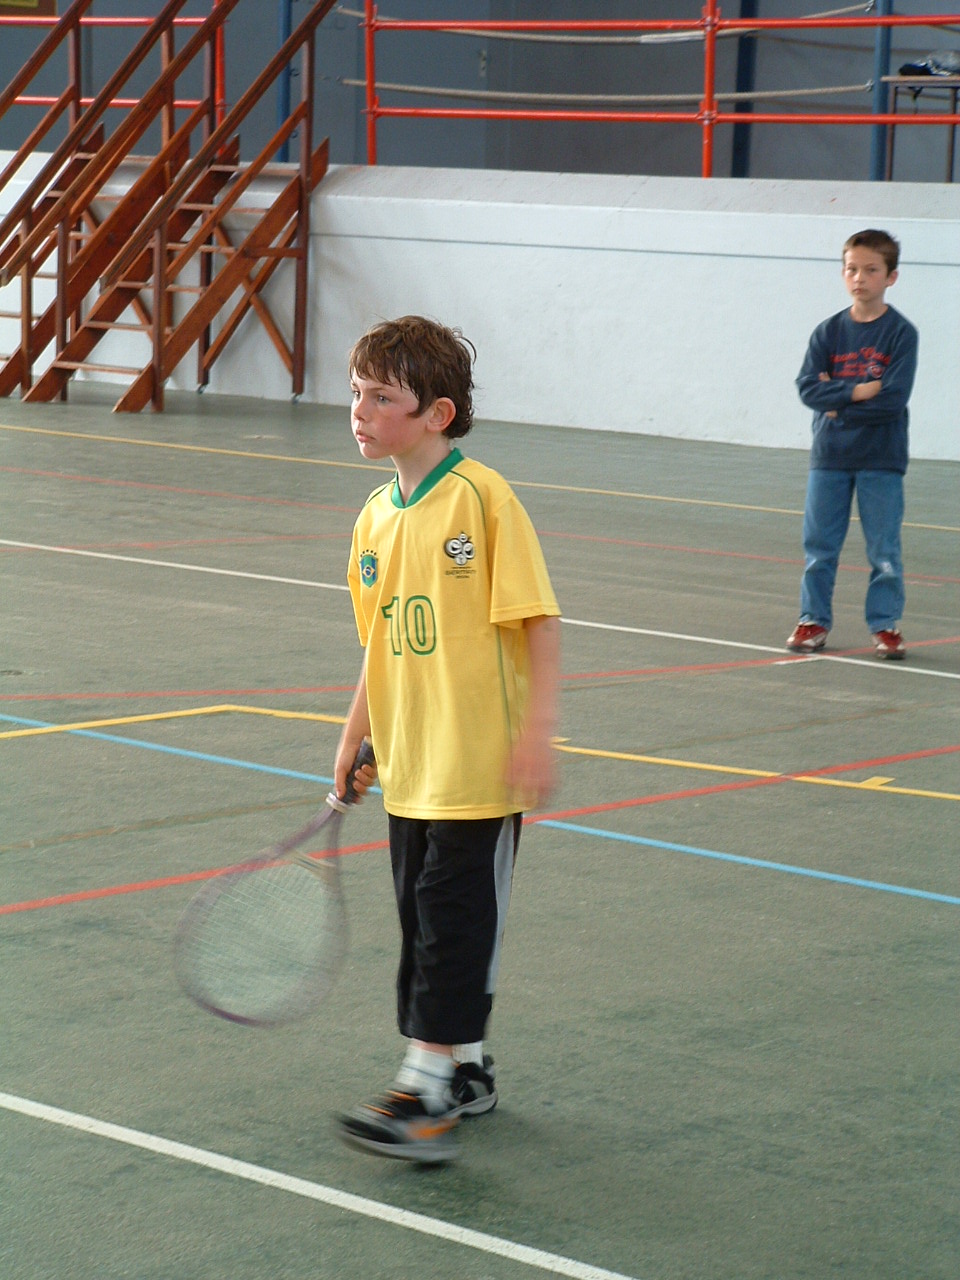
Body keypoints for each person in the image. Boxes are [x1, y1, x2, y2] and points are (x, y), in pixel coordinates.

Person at [332, 315, 561, 1164]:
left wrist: (535, 734)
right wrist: (356, 738)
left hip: (477, 764)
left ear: (437, 413)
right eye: (355, 393)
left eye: (380, 397)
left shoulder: (481, 498)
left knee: (449, 923)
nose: (360, 411)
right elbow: (380, 644)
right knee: (423, 921)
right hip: (409, 768)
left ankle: (422, 1090)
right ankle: (466, 1069)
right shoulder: (372, 519)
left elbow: (537, 622)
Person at [786, 229, 918, 660]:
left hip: (881, 458)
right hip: (830, 457)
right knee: (820, 547)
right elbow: (808, 388)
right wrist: (859, 391)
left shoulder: (901, 334)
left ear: (891, 277)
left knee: (883, 549)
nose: (859, 278)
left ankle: (885, 625)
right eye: (851, 269)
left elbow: (893, 399)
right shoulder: (827, 332)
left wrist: (836, 403)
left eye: (871, 270)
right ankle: (812, 620)